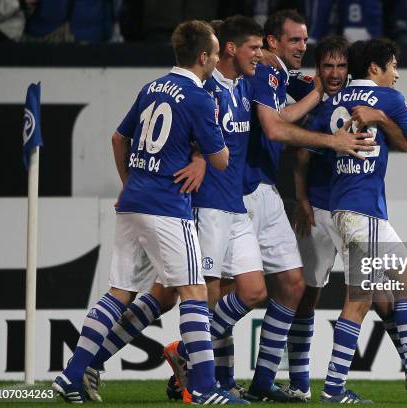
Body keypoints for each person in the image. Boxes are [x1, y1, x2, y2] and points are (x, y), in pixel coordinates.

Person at [51, 19, 248, 405]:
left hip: (133, 202)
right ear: (205, 56)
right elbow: (222, 160)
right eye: (213, 51)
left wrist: (129, 183)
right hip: (167, 207)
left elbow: (117, 138)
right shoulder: (198, 97)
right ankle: (206, 388)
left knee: (118, 292)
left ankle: (71, 375)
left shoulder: (151, 87)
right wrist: (209, 143)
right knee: (194, 292)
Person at [308, 37, 407, 403]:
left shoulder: (336, 100)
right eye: (393, 66)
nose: (397, 74)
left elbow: (312, 148)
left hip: (340, 208)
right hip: (365, 211)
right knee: (401, 282)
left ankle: (339, 386)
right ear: (375, 68)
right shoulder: (389, 98)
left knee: (364, 297)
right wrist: (383, 115)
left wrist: (377, 121)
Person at [242, 9, 376, 402]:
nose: (334, 73)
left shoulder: (357, 100)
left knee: (376, 296)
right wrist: (301, 199)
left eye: (340, 66)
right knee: (298, 292)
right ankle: (296, 382)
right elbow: (293, 144)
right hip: (312, 208)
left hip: (354, 210)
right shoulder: (297, 88)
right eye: (327, 65)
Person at [160, 15, 267, 402]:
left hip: (235, 207)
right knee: (205, 295)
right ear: (232, 50)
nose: (261, 54)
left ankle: (184, 353)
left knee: (254, 291)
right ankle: (205, 382)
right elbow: (192, 134)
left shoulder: (243, 86)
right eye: (254, 48)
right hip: (208, 207)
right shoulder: (207, 91)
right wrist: (200, 156)